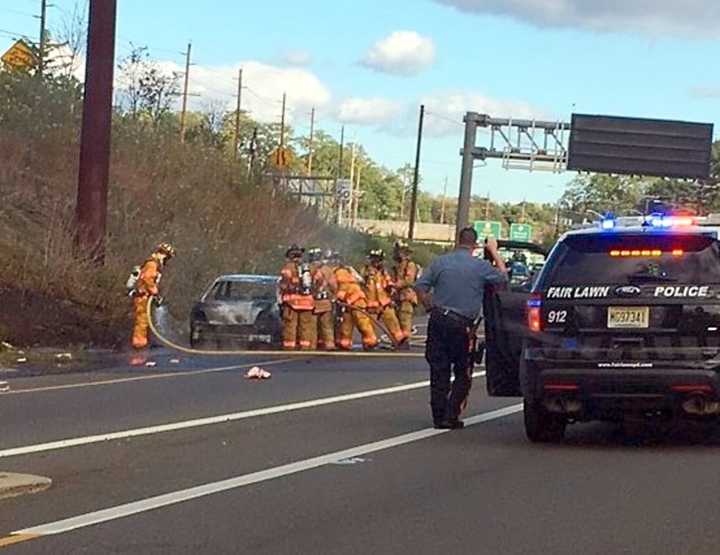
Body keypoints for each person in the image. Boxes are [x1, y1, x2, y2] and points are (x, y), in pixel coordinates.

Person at [415, 228, 508, 430]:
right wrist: (494, 251)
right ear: (475, 245)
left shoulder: (440, 262)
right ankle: (451, 415)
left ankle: (438, 416)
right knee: (462, 372)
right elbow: (503, 278)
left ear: (458, 241)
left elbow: (420, 286)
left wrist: (429, 305)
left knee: (438, 370)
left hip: (438, 320)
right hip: (461, 326)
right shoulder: (480, 267)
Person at [131, 242, 176, 354]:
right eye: (168, 257)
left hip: (145, 296)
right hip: (143, 296)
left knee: (145, 321)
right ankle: (139, 345)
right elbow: (148, 279)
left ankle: (143, 342)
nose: (167, 260)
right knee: (142, 321)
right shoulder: (152, 264)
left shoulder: (153, 263)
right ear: (164, 254)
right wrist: (155, 292)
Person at [362, 249, 407, 347]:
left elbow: (388, 283)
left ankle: (399, 340)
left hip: (384, 302)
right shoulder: (366, 271)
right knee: (370, 326)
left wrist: (391, 290)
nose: (377, 262)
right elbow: (361, 282)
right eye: (374, 259)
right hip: (371, 304)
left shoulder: (383, 271)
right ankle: (370, 342)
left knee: (392, 321)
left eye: (378, 260)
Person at [334, 255, 378, 351]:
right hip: (347, 304)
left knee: (362, 323)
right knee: (346, 325)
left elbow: (343, 288)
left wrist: (338, 298)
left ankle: (371, 342)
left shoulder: (341, 273)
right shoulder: (344, 271)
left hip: (356, 302)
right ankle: (345, 343)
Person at [279, 245, 315, 350]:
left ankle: (289, 346)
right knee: (305, 326)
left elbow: (284, 284)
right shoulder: (310, 268)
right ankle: (305, 346)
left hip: (292, 302)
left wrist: (284, 290)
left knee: (290, 325)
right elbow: (320, 280)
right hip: (307, 302)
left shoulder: (287, 268)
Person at [309, 248, 337, 351]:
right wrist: (333, 296)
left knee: (312, 326)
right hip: (325, 302)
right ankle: (329, 344)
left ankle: (312, 345)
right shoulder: (327, 270)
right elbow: (333, 285)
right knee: (327, 325)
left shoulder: (308, 269)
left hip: (312, 303)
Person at [392, 241, 419, 341]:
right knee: (397, 319)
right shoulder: (398, 266)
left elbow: (409, 280)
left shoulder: (410, 265)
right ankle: (400, 340)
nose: (397, 253)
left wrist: (395, 285)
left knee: (405, 319)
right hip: (398, 297)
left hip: (407, 296)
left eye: (399, 251)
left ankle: (405, 340)